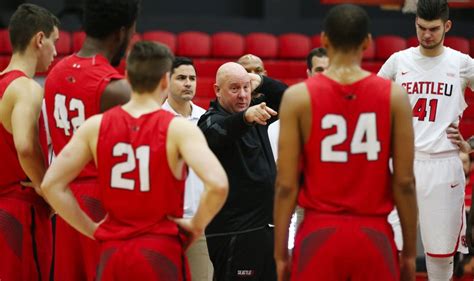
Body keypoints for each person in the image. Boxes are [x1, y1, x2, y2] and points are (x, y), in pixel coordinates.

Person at [41, 40, 229, 281]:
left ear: (127, 77)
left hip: (114, 249)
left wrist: (92, 229)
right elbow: (219, 185)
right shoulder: (179, 129)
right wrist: (194, 227)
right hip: (160, 249)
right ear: (165, 80)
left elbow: (50, 185)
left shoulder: (96, 126)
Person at [274, 4, 417, 281]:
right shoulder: (394, 97)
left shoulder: (298, 97)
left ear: (324, 39)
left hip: (318, 233)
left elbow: (286, 185)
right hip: (373, 234)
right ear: (367, 42)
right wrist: (409, 254)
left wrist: (280, 254)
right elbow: (404, 182)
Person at [378, 0, 474, 279]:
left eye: (433, 29)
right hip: (401, 164)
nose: (426, 34)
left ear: (447, 26)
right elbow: (370, 103)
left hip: (444, 165)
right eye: (421, 27)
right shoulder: (398, 61)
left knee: (440, 254)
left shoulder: (462, 64)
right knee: (390, 246)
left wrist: (471, 144)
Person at [43, 0, 139, 280]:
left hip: (66, 203)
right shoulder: (116, 88)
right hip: (103, 204)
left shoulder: (56, 72)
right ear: (122, 32)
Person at [198, 62, 286, 281]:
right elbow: (221, 131)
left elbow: (291, 99)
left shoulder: (258, 113)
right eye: (234, 88)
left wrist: (263, 81)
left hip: (265, 231)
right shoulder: (209, 120)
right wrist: (246, 116)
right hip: (234, 234)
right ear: (217, 90)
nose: (243, 95)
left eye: (246, 88)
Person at [0, 4, 59, 280]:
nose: (56, 52)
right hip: (21, 210)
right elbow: (24, 146)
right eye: (54, 42)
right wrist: (45, 187)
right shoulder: (26, 87)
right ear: (39, 39)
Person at [161, 56, 213, 281]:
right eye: (181, 78)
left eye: (192, 78)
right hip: (162, 224)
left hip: (198, 224)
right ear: (167, 80)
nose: (188, 83)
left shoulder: (207, 119)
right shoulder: (155, 119)